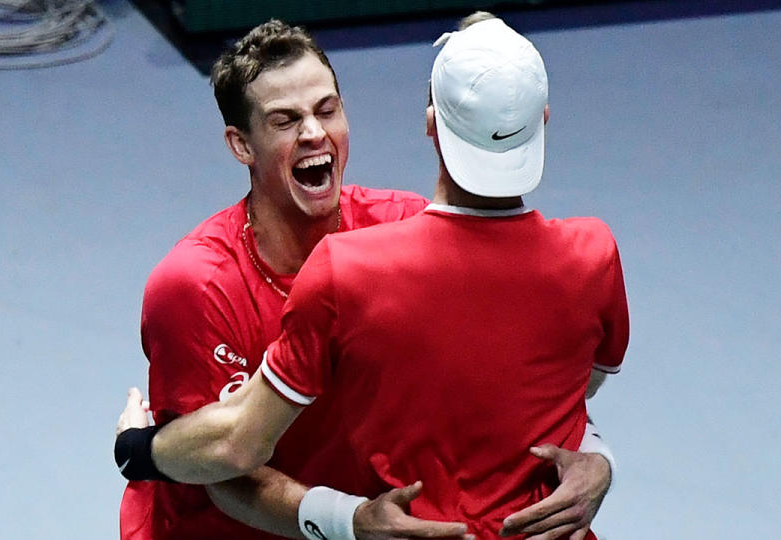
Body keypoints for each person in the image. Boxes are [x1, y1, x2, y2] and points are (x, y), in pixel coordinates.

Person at [116, 15, 618, 540]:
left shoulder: (407, 231)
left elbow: (501, 386)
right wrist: (346, 522)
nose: (314, 132)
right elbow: (221, 470)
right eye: (285, 120)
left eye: (326, 110)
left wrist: (595, 456)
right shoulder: (192, 286)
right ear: (241, 145)